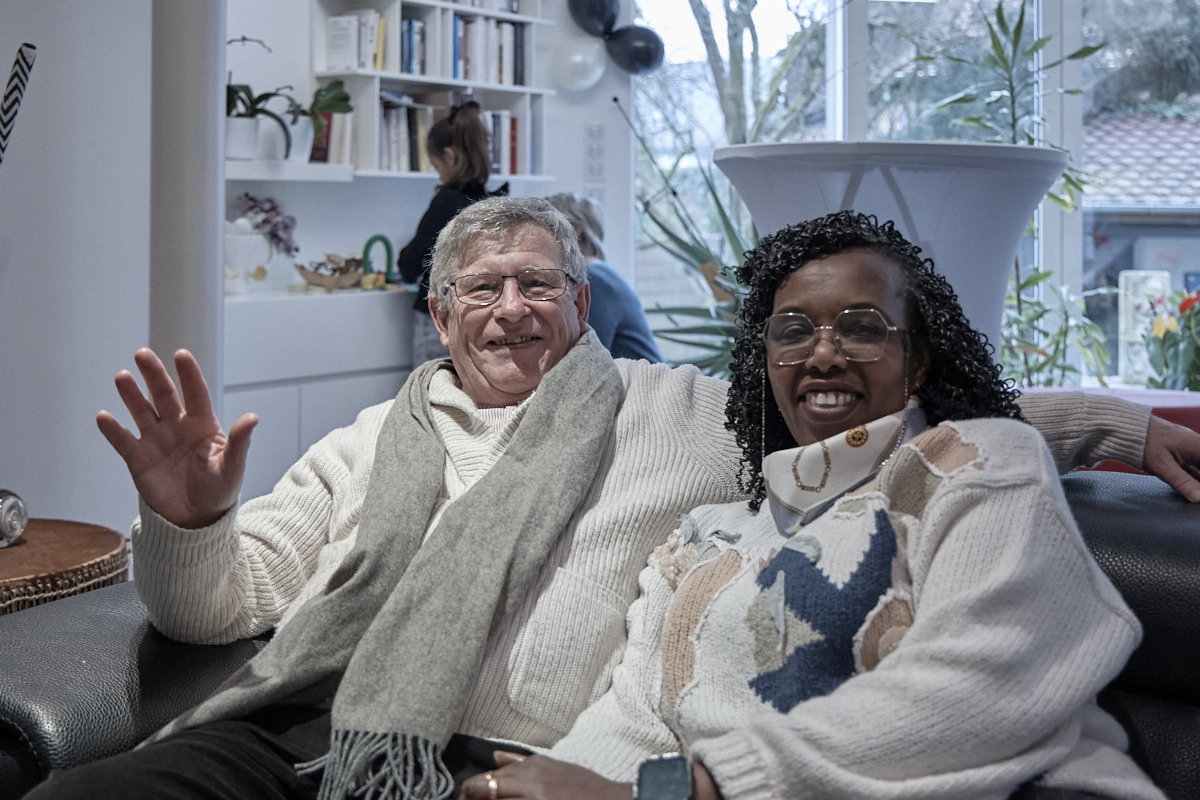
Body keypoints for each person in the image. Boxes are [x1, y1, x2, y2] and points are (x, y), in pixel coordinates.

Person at [67, 198, 1193, 799]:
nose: (513, 308)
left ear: (582, 304)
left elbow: (868, 399)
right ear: (440, 314)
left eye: (541, 284)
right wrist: (189, 519)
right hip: (304, 737)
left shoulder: (678, 411)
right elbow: (219, 607)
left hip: (497, 760)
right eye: (482, 289)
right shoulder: (366, 439)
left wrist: (1123, 427)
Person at [462, 212, 1165, 800]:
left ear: (918, 359)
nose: (822, 354)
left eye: (861, 328)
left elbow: (982, 681)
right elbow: (638, 716)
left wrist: (685, 788)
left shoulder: (974, 463)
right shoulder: (710, 533)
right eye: (794, 331)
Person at [397, 101, 504, 365]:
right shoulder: (494, 202)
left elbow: (412, 259)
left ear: (450, 157)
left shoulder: (447, 202)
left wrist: (408, 270)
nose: (439, 176)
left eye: (437, 167)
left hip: (443, 316)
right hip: (481, 313)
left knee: (433, 383)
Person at [545, 192, 663, 362]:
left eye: (546, 229)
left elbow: (584, 360)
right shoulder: (599, 275)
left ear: (576, 232)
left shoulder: (592, 281)